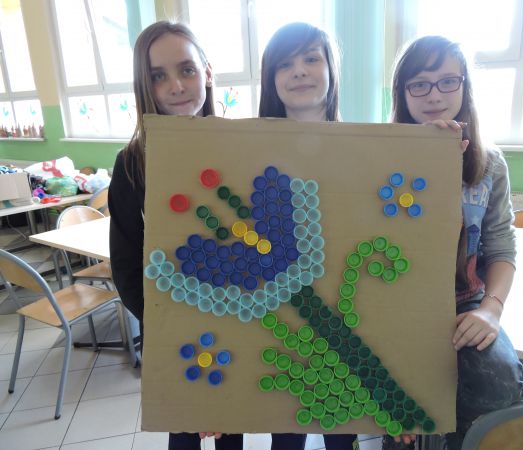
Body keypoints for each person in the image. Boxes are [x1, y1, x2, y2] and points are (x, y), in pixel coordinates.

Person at [382, 35, 523, 450]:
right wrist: (423, 160)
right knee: (398, 400)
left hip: (464, 302)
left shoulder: (490, 164)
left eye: (447, 81)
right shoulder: (380, 157)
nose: (434, 95)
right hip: (392, 302)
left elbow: (501, 245)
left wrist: (491, 310)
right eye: (419, 84)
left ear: (464, 87)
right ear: (402, 93)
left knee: (499, 382)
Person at [108, 21, 243, 450]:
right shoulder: (133, 163)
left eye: (186, 69)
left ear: (207, 72)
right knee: (184, 429)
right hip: (172, 322)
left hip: (237, 315)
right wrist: (164, 321)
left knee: (230, 426)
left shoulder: (241, 148)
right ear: (144, 85)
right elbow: (126, 262)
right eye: (158, 76)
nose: (176, 86)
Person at [259, 22, 357, 450]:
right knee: (287, 425)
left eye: (311, 59)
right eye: (285, 64)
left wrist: (440, 145)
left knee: (343, 426)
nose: (299, 71)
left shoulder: (365, 147)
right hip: (281, 305)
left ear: (332, 70)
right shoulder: (250, 147)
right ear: (271, 79)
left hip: (345, 302)